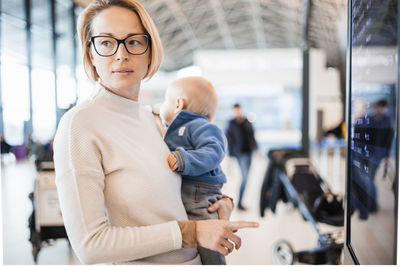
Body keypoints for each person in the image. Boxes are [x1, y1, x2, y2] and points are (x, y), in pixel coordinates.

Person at [53, 0, 258, 265]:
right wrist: (192, 233)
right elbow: (91, 246)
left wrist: (217, 204)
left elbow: (169, 198)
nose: (121, 54)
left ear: (150, 51)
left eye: (134, 41)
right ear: (90, 52)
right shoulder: (80, 126)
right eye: (106, 42)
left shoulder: (152, 119)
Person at [159, 76, 227, 264]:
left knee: (207, 232)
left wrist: (184, 159)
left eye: (165, 100)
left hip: (199, 192)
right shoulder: (176, 128)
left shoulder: (200, 126)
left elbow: (214, 151)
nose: (161, 105)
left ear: (179, 104)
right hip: (190, 189)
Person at [226, 103, 258, 210]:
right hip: (240, 154)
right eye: (236, 110)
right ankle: (239, 202)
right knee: (244, 177)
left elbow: (252, 136)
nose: (238, 112)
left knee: (247, 177)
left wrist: (256, 149)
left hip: (249, 152)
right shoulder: (231, 124)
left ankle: (241, 201)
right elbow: (229, 140)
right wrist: (230, 155)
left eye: (239, 110)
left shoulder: (247, 122)